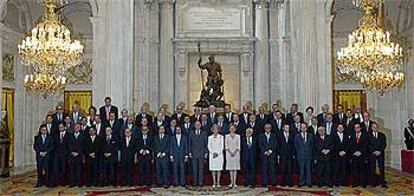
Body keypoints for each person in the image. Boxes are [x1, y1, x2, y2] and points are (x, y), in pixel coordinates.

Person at [367, 122, 387, 188]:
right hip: (371, 154)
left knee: (381, 168)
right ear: (371, 128)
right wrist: (373, 151)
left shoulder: (382, 135)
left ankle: (383, 182)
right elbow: (367, 145)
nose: (375, 128)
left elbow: (384, 144)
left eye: (376, 127)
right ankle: (373, 183)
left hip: (380, 154)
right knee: (372, 168)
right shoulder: (368, 135)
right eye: (373, 127)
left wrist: (379, 151)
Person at [189, 121, 208, 187]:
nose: (197, 125)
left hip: (201, 153)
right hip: (193, 153)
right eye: (196, 124)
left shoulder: (204, 133)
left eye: (198, 124)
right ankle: (195, 182)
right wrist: (189, 152)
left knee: (201, 169)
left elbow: (206, 144)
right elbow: (189, 143)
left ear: (200, 125)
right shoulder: (191, 133)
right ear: (194, 125)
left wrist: (206, 152)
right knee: (194, 169)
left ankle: (200, 182)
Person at [294, 123, 313, 187]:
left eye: (305, 127)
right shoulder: (297, 136)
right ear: (300, 128)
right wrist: (299, 153)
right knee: (301, 170)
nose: (303, 129)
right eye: (302, 127)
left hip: (308, 155)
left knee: (308, 169)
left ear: (307, 128)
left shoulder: (310, 136)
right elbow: (296, 146)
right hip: (300, 155)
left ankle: (309, 182)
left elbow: (312, 146)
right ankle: (301, 182)